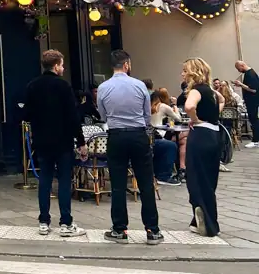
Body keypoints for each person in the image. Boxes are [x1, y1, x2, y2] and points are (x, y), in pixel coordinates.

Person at [97, 49, 163, 245]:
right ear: (126, 65)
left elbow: (103, 115)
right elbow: (145, 114)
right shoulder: (139, 85)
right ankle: (152, 230)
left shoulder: (103, 87)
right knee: (145, 182)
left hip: (116, 135)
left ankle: (119, 229)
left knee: (117, 184)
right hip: (138, 134)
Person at [24, 49, 88, 238]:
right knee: (64, 180)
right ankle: (65, 222)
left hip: (42, 140)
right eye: (61, 64)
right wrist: (81, 142)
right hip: (62, 140)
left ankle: (44, 221)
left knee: (44, 179)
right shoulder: (63, 86)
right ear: (56, 66)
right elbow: (73, 116)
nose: (63, 67)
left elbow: (26, 114)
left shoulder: (32, 86)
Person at [182, 57, 224, 236]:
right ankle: (209, 220)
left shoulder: (196, 90)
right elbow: (222, 100)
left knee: (195, 178)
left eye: (185, 71)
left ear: (192, 72)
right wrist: (213, 114)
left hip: (200, 135)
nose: (182, 74)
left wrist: (195, 119)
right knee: (209, 180)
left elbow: (189, 106)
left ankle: (203, 220)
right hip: (214, 134)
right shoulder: (212, 91)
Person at [149, 92, 180, 185]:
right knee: (175, 144)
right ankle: (165, 174)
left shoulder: (147, 106)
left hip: (149, 136)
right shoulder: (163, 106)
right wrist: (175, 106)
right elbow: (178, 118)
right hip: (158, 135)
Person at [233, 60, 259, 147]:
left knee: (254, 120)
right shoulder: (248, 74)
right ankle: (256, 140)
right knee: (253, 120)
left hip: (254, 102)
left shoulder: (250, 74)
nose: (238, 71)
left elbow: (254, 90)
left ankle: (256, 140)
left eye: (238, 68)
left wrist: (241, 84)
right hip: (250, 102)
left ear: (242, 65)